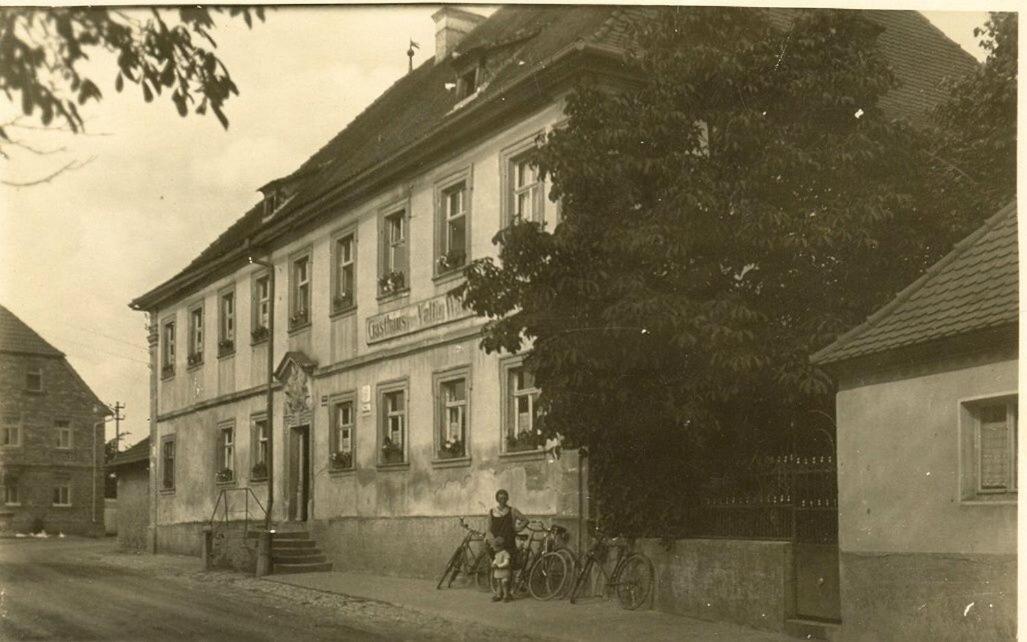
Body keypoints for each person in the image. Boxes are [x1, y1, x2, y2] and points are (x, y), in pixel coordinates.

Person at [490, 536, 511, 602]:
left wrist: (499, 566)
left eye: (495, 547)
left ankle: (506, 596)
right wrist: (493, 563)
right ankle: (498, 595)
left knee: (504, 583)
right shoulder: (497, 554)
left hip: (504, 572)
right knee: (498, 583)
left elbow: (506, 563)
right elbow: (496, 560)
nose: (493, 549)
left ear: (500, 547)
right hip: (498, 572)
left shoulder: (505, 553)